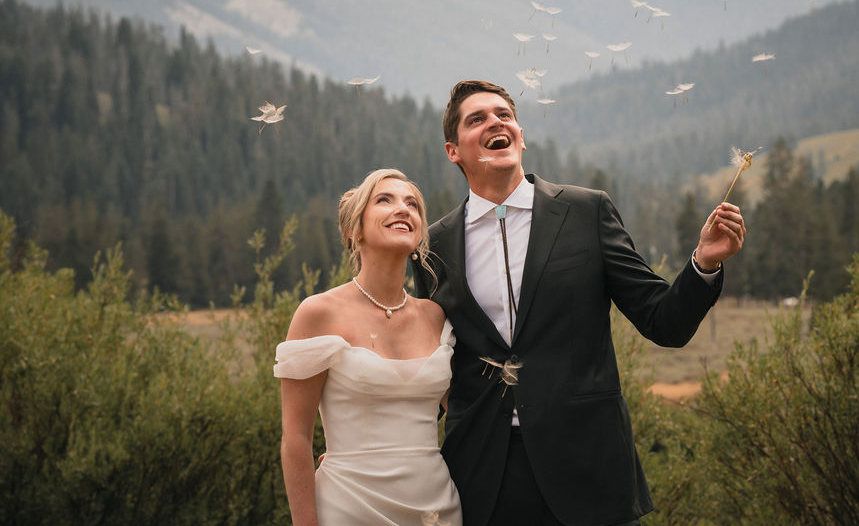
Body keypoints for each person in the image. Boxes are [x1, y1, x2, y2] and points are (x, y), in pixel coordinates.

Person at [415, 80, 747, 526]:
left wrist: (703, 263)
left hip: (589, 468)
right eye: (477, 119)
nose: (495, 122)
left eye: (504, 115)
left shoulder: (587, 211)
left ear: (521, 135)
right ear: (453, 150)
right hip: (482, 477)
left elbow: (663, 321)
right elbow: (426, 365)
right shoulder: (432, 246)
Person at [275, 168, 462, 526]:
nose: (403, 209)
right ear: (354, 230)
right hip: (350, 505)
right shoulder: (318, 314)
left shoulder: (435, 317)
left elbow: (466, 413)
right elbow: (296, 439)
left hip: (436, 508)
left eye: (412, 204)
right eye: (384, 200)